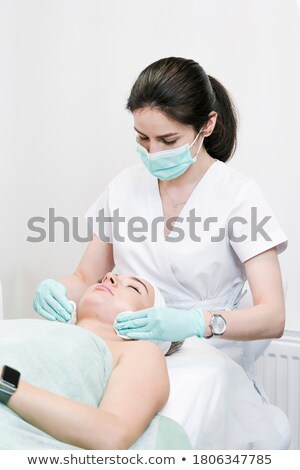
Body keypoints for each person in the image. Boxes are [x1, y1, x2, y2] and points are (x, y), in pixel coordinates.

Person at [33, 56, 288, 399]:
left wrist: (199, 323)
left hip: (208, 360)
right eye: (142, 140)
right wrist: (58, 291)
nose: (153, 154)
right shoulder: (125, 186)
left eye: (168, 141)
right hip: (126, 351)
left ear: (207, 125)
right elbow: (84, 278)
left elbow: (272, 316)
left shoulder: (239, 196)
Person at [0, 273, 170, 450]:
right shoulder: (36, 328)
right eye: (101, 278)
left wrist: (7, 382)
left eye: (134, 288)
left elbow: (112, 435)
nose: (109, 277)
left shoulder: (140, 352)